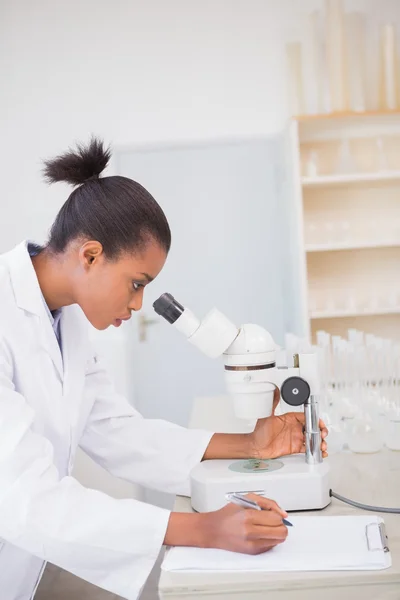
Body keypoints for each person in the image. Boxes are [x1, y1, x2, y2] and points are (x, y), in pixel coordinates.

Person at [0, 138, 328, 600]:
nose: (137, 304)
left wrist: (250, 444)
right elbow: (24, 499)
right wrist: (203, 530)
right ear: (90, 255)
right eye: (136, 284)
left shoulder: (66, 318)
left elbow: (116, 433)